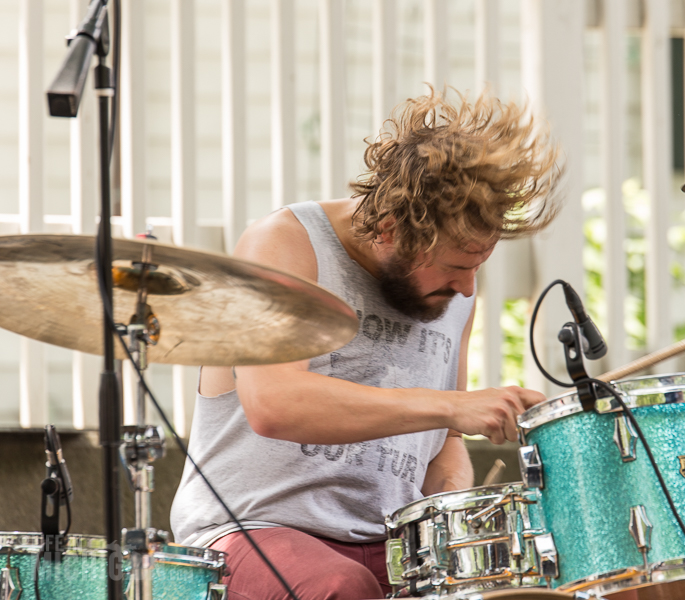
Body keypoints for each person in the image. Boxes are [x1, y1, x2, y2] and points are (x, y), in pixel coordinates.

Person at [170, 88, 562, 600]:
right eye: (456, 268)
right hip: (250, 531)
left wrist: (452, 537)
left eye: (477, 267)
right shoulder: (285, 245)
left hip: (391, 545)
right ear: (389, 229)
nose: (468, 289)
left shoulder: (454, 291)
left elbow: (444, 445)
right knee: (341, 587)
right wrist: (452, 406)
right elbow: (275, 404)